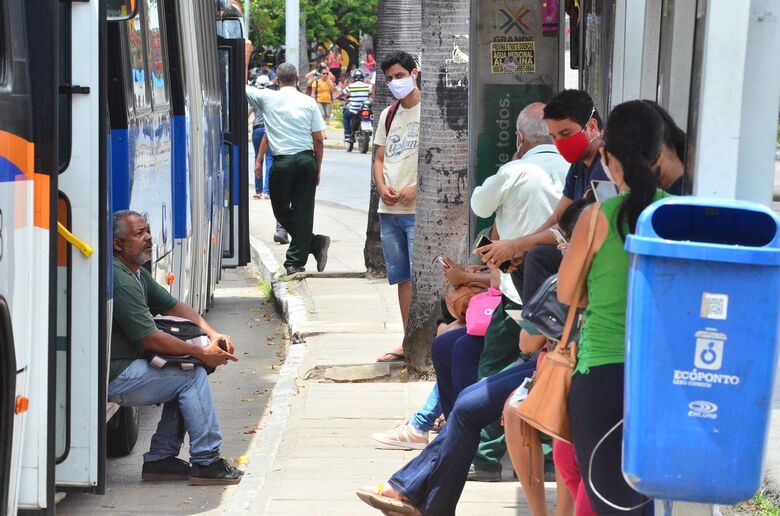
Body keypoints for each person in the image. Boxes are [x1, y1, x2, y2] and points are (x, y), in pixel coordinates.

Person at [558, 100, 670, 514]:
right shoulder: (676, 216)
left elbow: (568, 293)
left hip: (602, 374)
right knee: (645, 504)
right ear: (658, 157)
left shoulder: (595, 218)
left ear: (605, 157)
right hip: (661, 379)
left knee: (609, 503)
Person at [467, 102, 569, 481]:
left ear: (521, 137)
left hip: (519, 290)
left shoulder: (516, 170)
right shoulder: (574, 172)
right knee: (548, 370)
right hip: (565, 293)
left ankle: (488, 455)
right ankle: (545, 456)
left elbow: (479, 203)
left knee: (494, 370)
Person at [107, 210, 244, 485]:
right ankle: (207, 461)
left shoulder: (136, 274)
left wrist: (212, 333)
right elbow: (151, 339)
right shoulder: (120, 278)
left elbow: (174, 306)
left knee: (187, 368)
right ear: (117, 244)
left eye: (148, 231)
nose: (148, 238)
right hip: (114, 374)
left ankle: (161, 459)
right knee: (190, 375)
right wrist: (200, 352)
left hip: (128, 367)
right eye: (139, 233)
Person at [245, 43, 330, 276]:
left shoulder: (267, 98)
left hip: (282, 162)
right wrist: (318, 167)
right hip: (305, 161)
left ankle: (297, 257)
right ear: (298, 79)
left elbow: (241, 86)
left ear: (277, 80)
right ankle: (308, 247)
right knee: (303, 210)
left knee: (281, 209)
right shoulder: (309, 102)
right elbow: (318, 139)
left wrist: (245, 55)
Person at [372, 51, 422, 364]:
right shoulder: (388, 115)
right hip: (389, 211)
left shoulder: (430, 111)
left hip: (418, 210)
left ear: (414, 73)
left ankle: (424, 340)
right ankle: (407, 342)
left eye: (400, 76)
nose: (395, 82)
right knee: (402, 278)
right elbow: (378, 158)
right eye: (390, 78)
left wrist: (417, 190)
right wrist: (381, 187)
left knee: (421, 277)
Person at [248, 75, 274, 200]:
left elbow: (247, 113)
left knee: (258, 158)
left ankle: (258, 191)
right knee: (269, 158)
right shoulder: (271, 97)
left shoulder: (255, 98)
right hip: (269, 130)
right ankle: (267, 191)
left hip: (257, 129)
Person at [341, 69, 372, 142]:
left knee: (346, 116)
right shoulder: (368, 86)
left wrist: (338, 97)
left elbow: (343, 93)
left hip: (354, 110)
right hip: (365, 108)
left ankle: (347, 134)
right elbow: (370, 93)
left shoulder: (351, 86)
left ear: (354, 77)